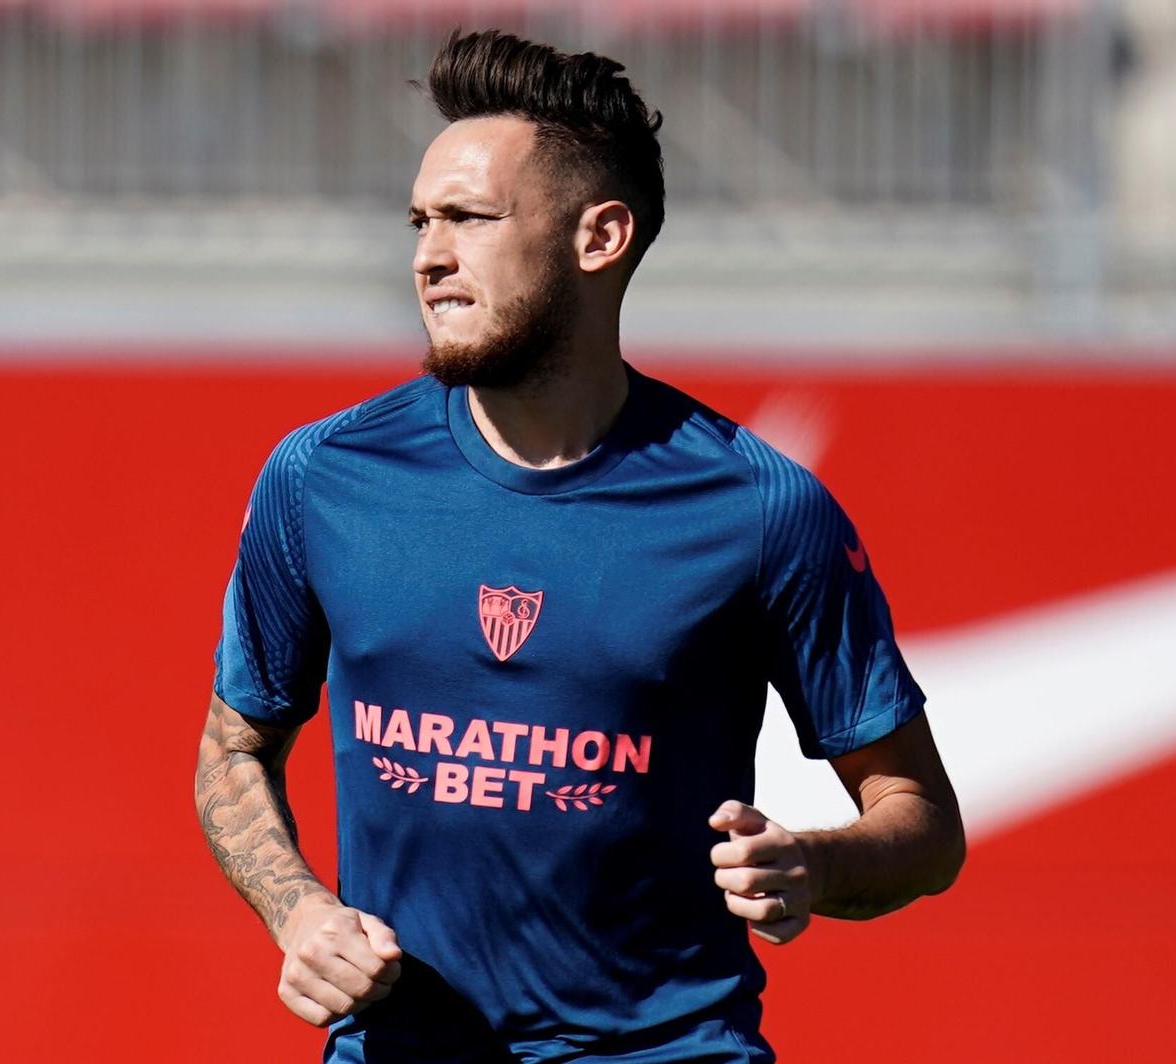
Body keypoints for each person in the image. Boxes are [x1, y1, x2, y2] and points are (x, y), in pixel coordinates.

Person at [195, 29, 964, 1064]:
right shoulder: (320, 477)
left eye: (468, 218)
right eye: (419, 221)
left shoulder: (762, 508)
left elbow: (920, 819)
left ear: (599, 236)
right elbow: (233, 744)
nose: (428, 254)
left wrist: (812, 867)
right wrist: (298, 913)